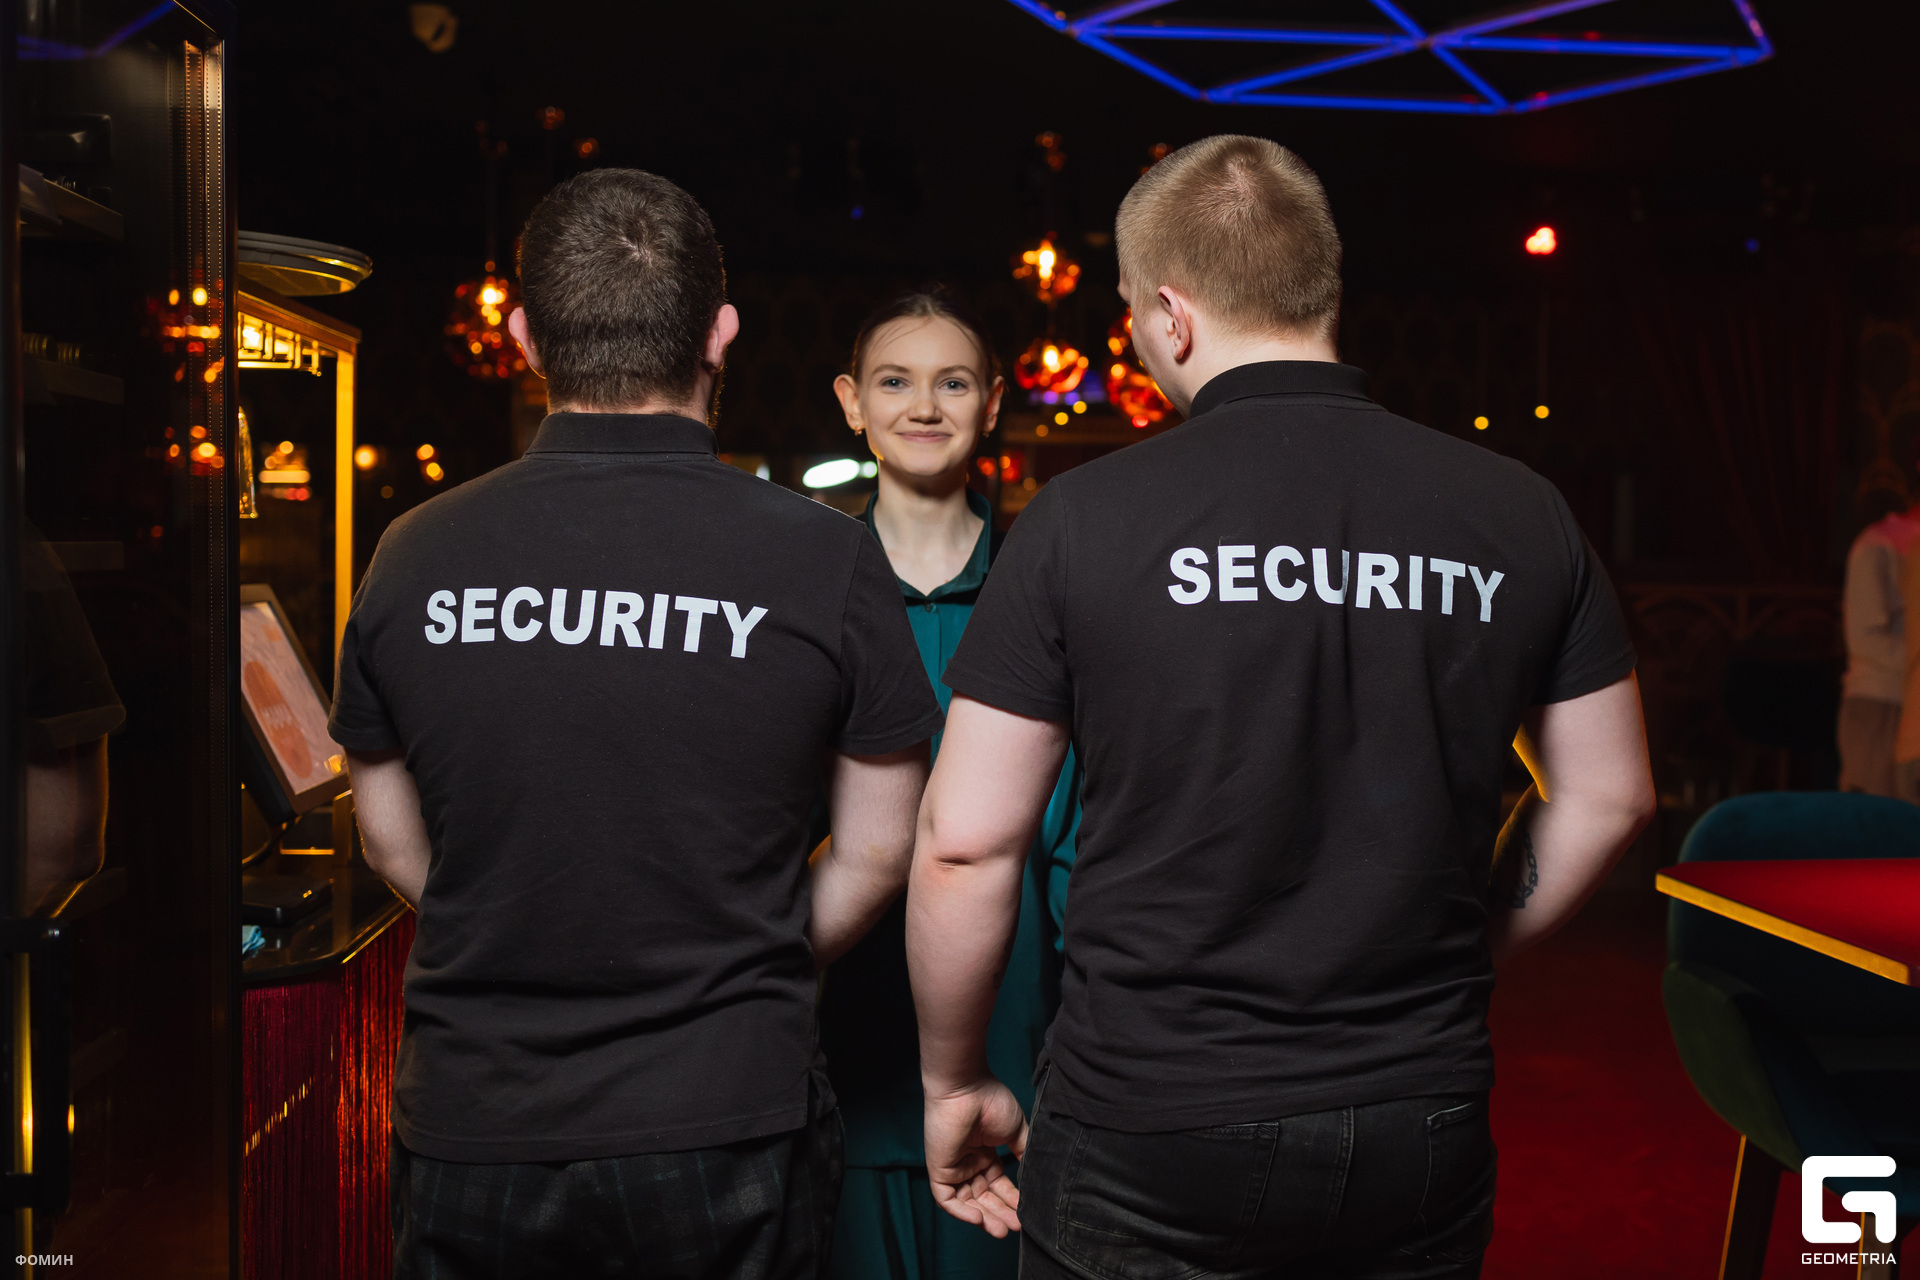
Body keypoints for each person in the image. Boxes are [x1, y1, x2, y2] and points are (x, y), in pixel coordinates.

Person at [904, 135, 1657, 1277]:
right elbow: (1611, 795)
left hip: (1149, 1115)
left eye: (1131, 317)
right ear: (1323, 290)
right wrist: (1466, 942)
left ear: (1171, 315)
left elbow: (964, 841)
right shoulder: (1519, 509)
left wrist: (951, 1081)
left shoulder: (1080, 518)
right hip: (1418, 1112)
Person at [329, 168, 944, 1279]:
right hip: (727, 1114)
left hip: (479, 1122)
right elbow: (878, 849)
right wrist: (741, 949)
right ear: (720, 332)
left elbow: (390, 842)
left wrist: (520, 920)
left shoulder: (412, 552)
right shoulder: (827, 556)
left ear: (523, 338)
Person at [820, 291, 1081, 1280]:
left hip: (1018, 1033)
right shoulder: (806, 595)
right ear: (852, 401)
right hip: (842, 1031)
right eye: (895, 381)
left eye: (954, 382)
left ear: (993, 402)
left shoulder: (1049, 592)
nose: (924, 405)